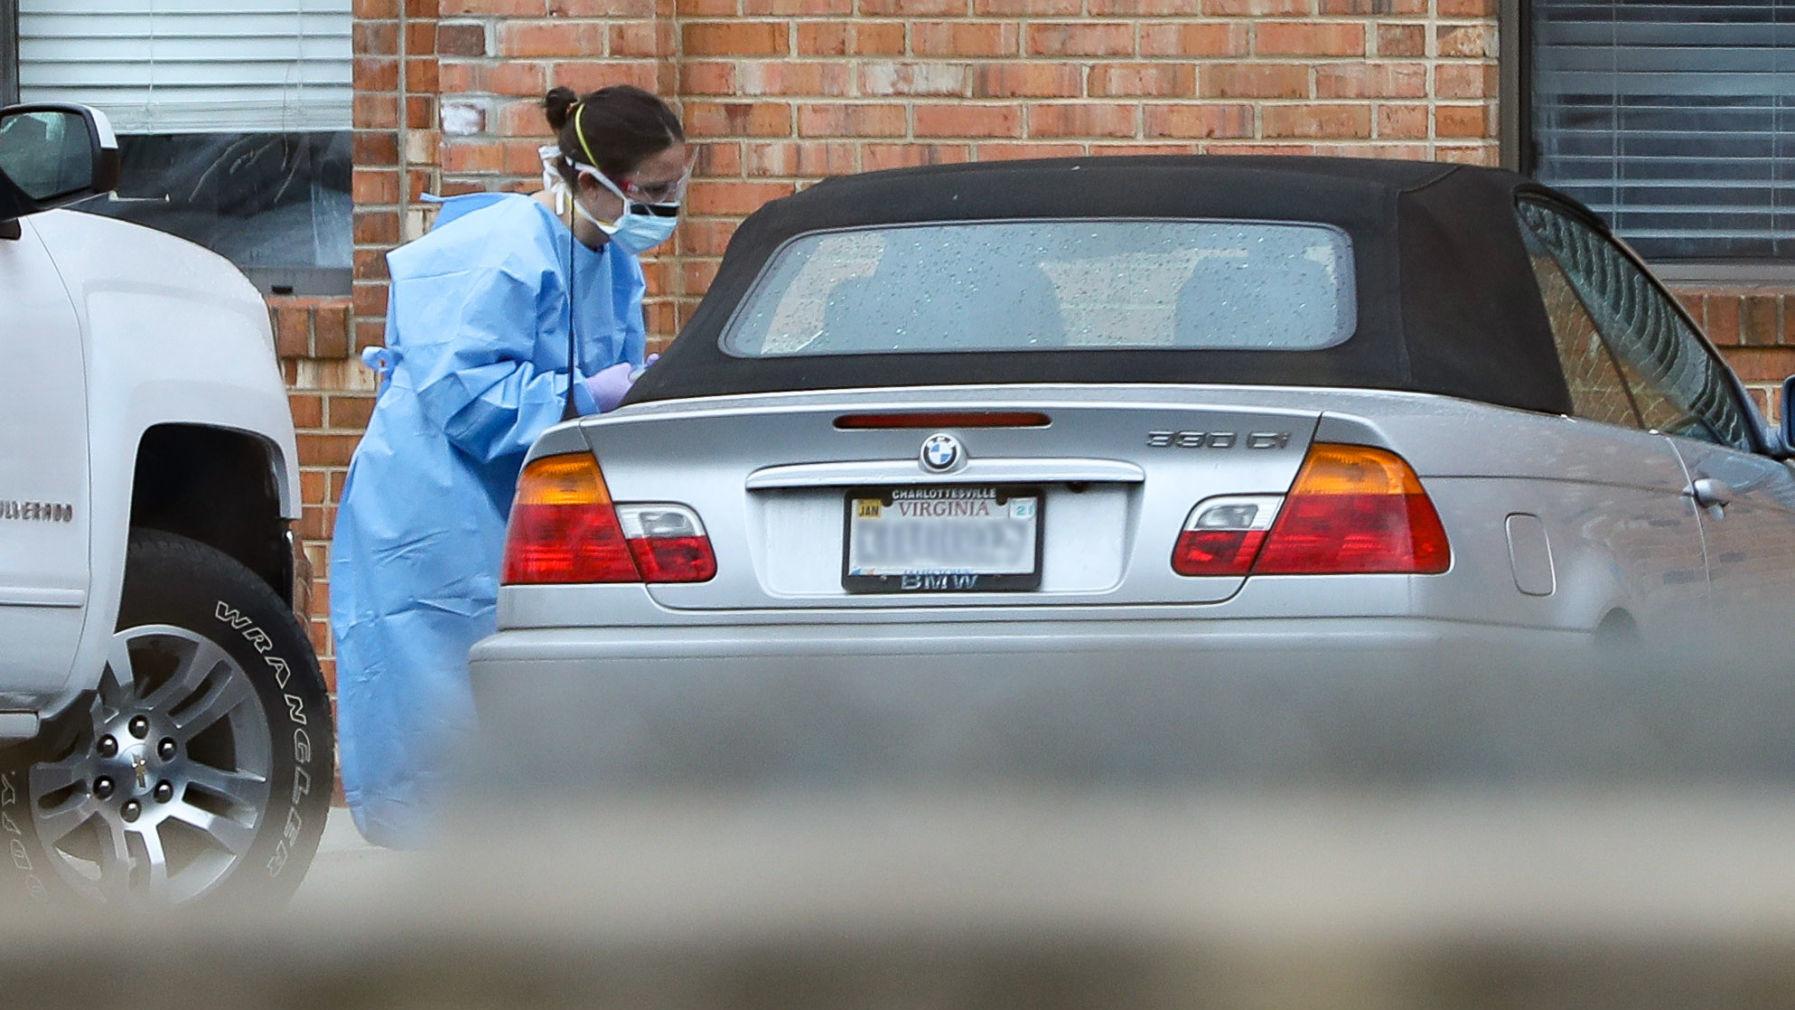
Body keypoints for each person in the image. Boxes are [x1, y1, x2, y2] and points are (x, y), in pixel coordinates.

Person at [328, 85, 690, 847]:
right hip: (437, 502)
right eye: (654, 192)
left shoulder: (611, 260)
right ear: (588, 180)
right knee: (439, 692)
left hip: (526, 500)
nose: (667, 210)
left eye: (674, 189)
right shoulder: (499, 250)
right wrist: (588, 395)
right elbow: (464, 396)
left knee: (526, 692)